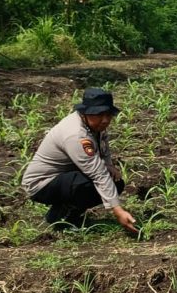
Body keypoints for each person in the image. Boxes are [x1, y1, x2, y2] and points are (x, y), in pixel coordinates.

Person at [22, 87, 137, 233]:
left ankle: (70, 214)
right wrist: (118, 210)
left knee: (115, 182)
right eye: (100, 114)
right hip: (41, 184)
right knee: (87, 185)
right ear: (85, 112)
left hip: (65, 175)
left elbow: (104, 147)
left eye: (108, 115)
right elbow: (98, 173)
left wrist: (108, 165)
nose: (105, 120)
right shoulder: (75, 134)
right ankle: (61, 218)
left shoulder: (94, 125)